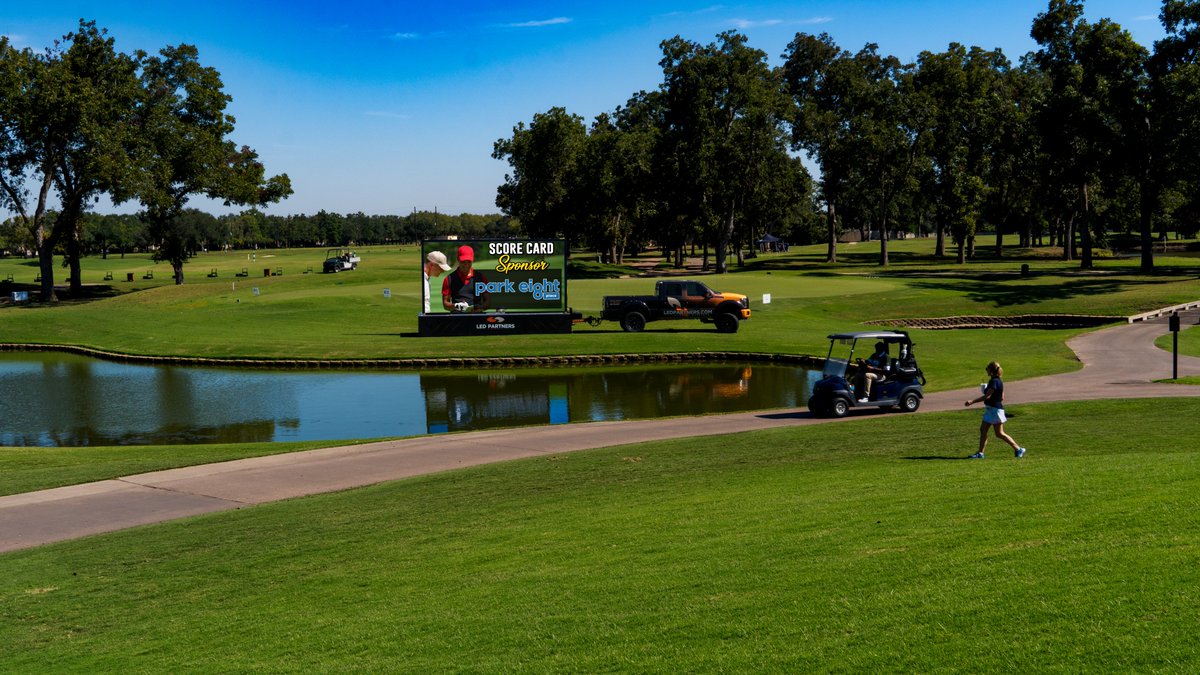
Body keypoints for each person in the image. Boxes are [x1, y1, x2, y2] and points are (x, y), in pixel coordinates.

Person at [964, 361, 1027, 459]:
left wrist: (972, 401)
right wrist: (989, 391)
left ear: (991, 370)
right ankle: (980, 453)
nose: (986, 370)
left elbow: (987, 397)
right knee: (983, 430)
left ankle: (1018, 449)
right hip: (991, 410)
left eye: (987, 368)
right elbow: (1001, 397)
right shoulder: (998, 381)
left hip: (995, 410)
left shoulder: (993, 381)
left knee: (999, 433)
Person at [441, 244, 490, 313]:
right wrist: (456, 306)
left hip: (477, 317)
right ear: (458, 259)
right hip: (457, 319)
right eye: (463, 261)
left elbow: (487, 302)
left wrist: (480, 308)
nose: (466, 265)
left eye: (469, 261)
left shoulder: (481, 278)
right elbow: (445, 304)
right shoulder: (449, 279)